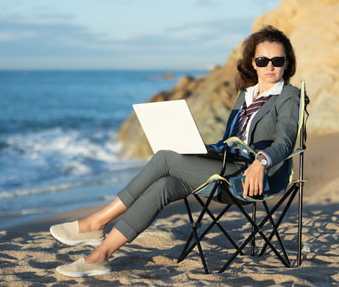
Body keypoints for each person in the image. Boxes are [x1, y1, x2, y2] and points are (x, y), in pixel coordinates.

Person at [50, 25, 300, 277]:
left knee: (166, 157)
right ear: (253, 63)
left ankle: (97, 222)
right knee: (165, 185)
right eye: (263, 60)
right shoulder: (245, 95)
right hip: (226, 164)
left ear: (286, 63)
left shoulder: (289, 96)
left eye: (277, 61)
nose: (270, 66)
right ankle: (99, 256)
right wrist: (204, 149)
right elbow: (231, 141)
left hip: (252, 177)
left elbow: (285, 142)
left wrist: (261, 162)